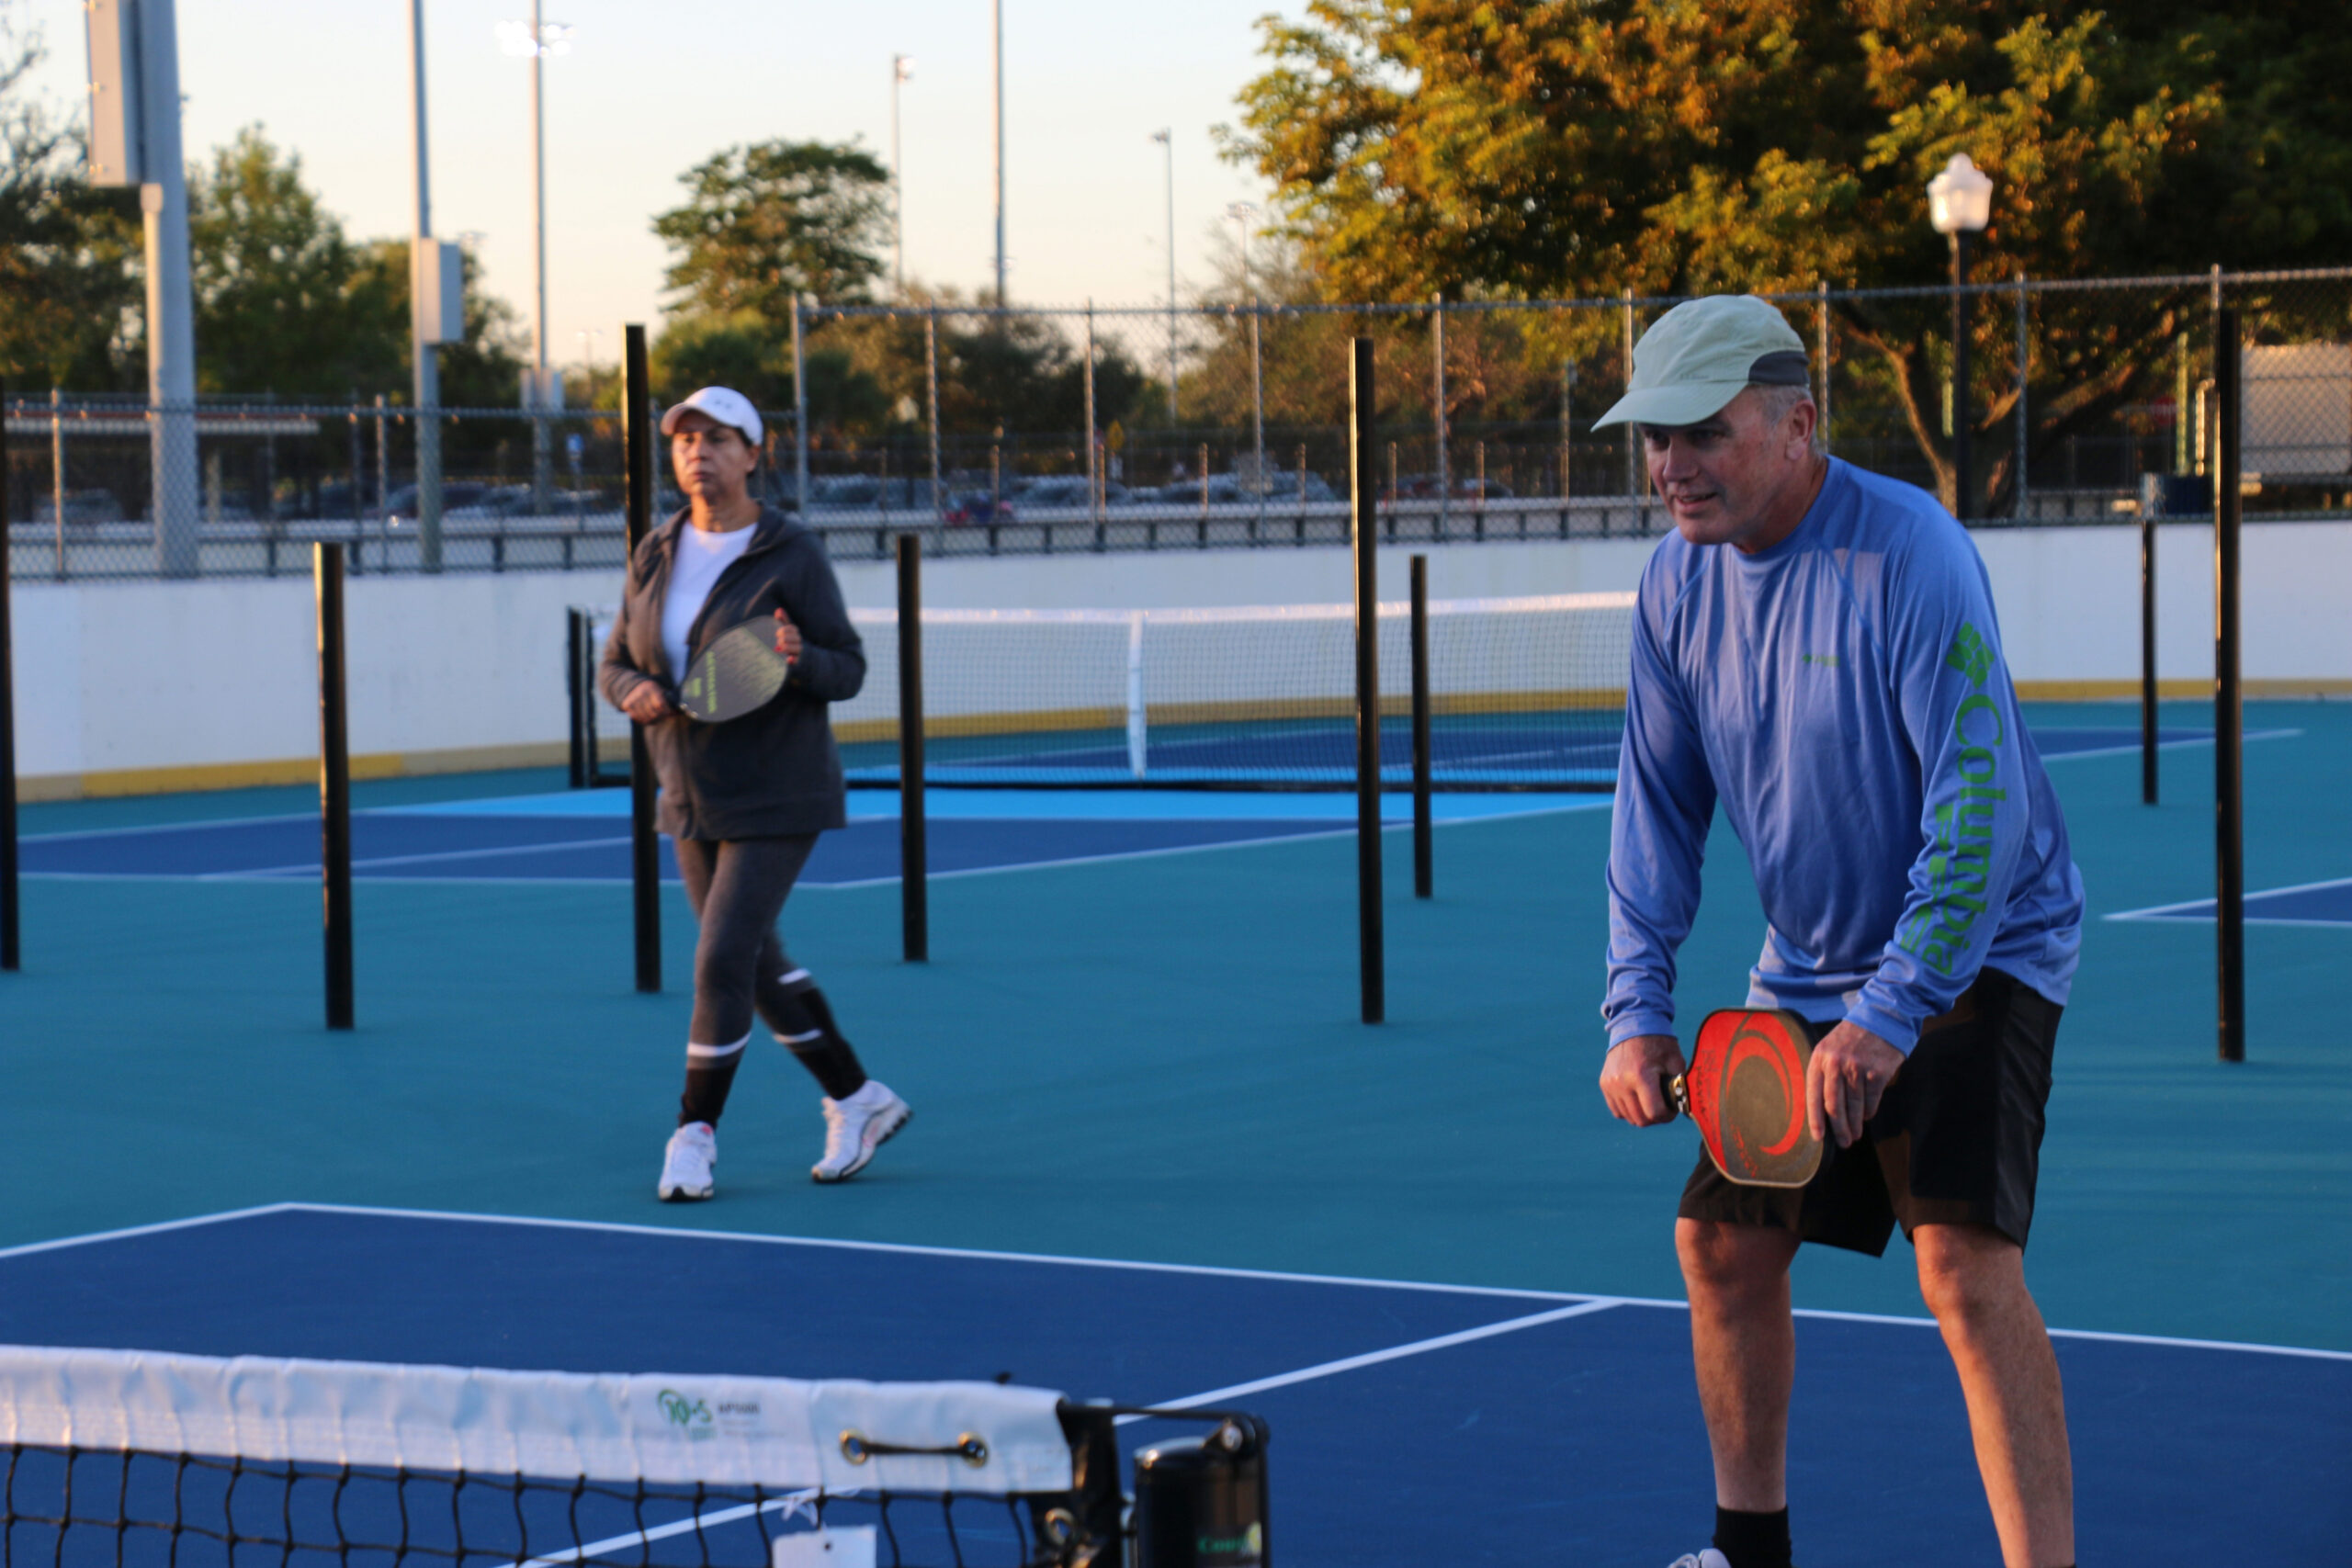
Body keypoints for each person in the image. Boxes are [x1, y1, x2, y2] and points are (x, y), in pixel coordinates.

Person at [1590, 298, 2085, 1568]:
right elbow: (1656, 805)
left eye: (1702, 430)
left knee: (1964, 1271)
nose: (1670, 465)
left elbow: (1981, 805)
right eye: (1655, 436)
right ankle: (1747, 1550)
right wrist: (1637, 1008)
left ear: (1799, 421)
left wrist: (1891, 1008)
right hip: (1806, 965)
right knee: (1722, 1242)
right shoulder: (1674, 583)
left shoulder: (1911, 553)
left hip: (1979, 943)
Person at [599, 385, 910, 1200]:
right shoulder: (655, 549)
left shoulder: (792, 552)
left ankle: (693, 1136)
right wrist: (630, 689)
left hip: (780, 787)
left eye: (716, 437)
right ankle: (858, 1096)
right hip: (690, 790)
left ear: (751, 453)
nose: (697, 449)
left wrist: (797, 655)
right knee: (756, 965)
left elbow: (846, 668)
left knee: (722, 956)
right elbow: (613, 661)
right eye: (684, 438)